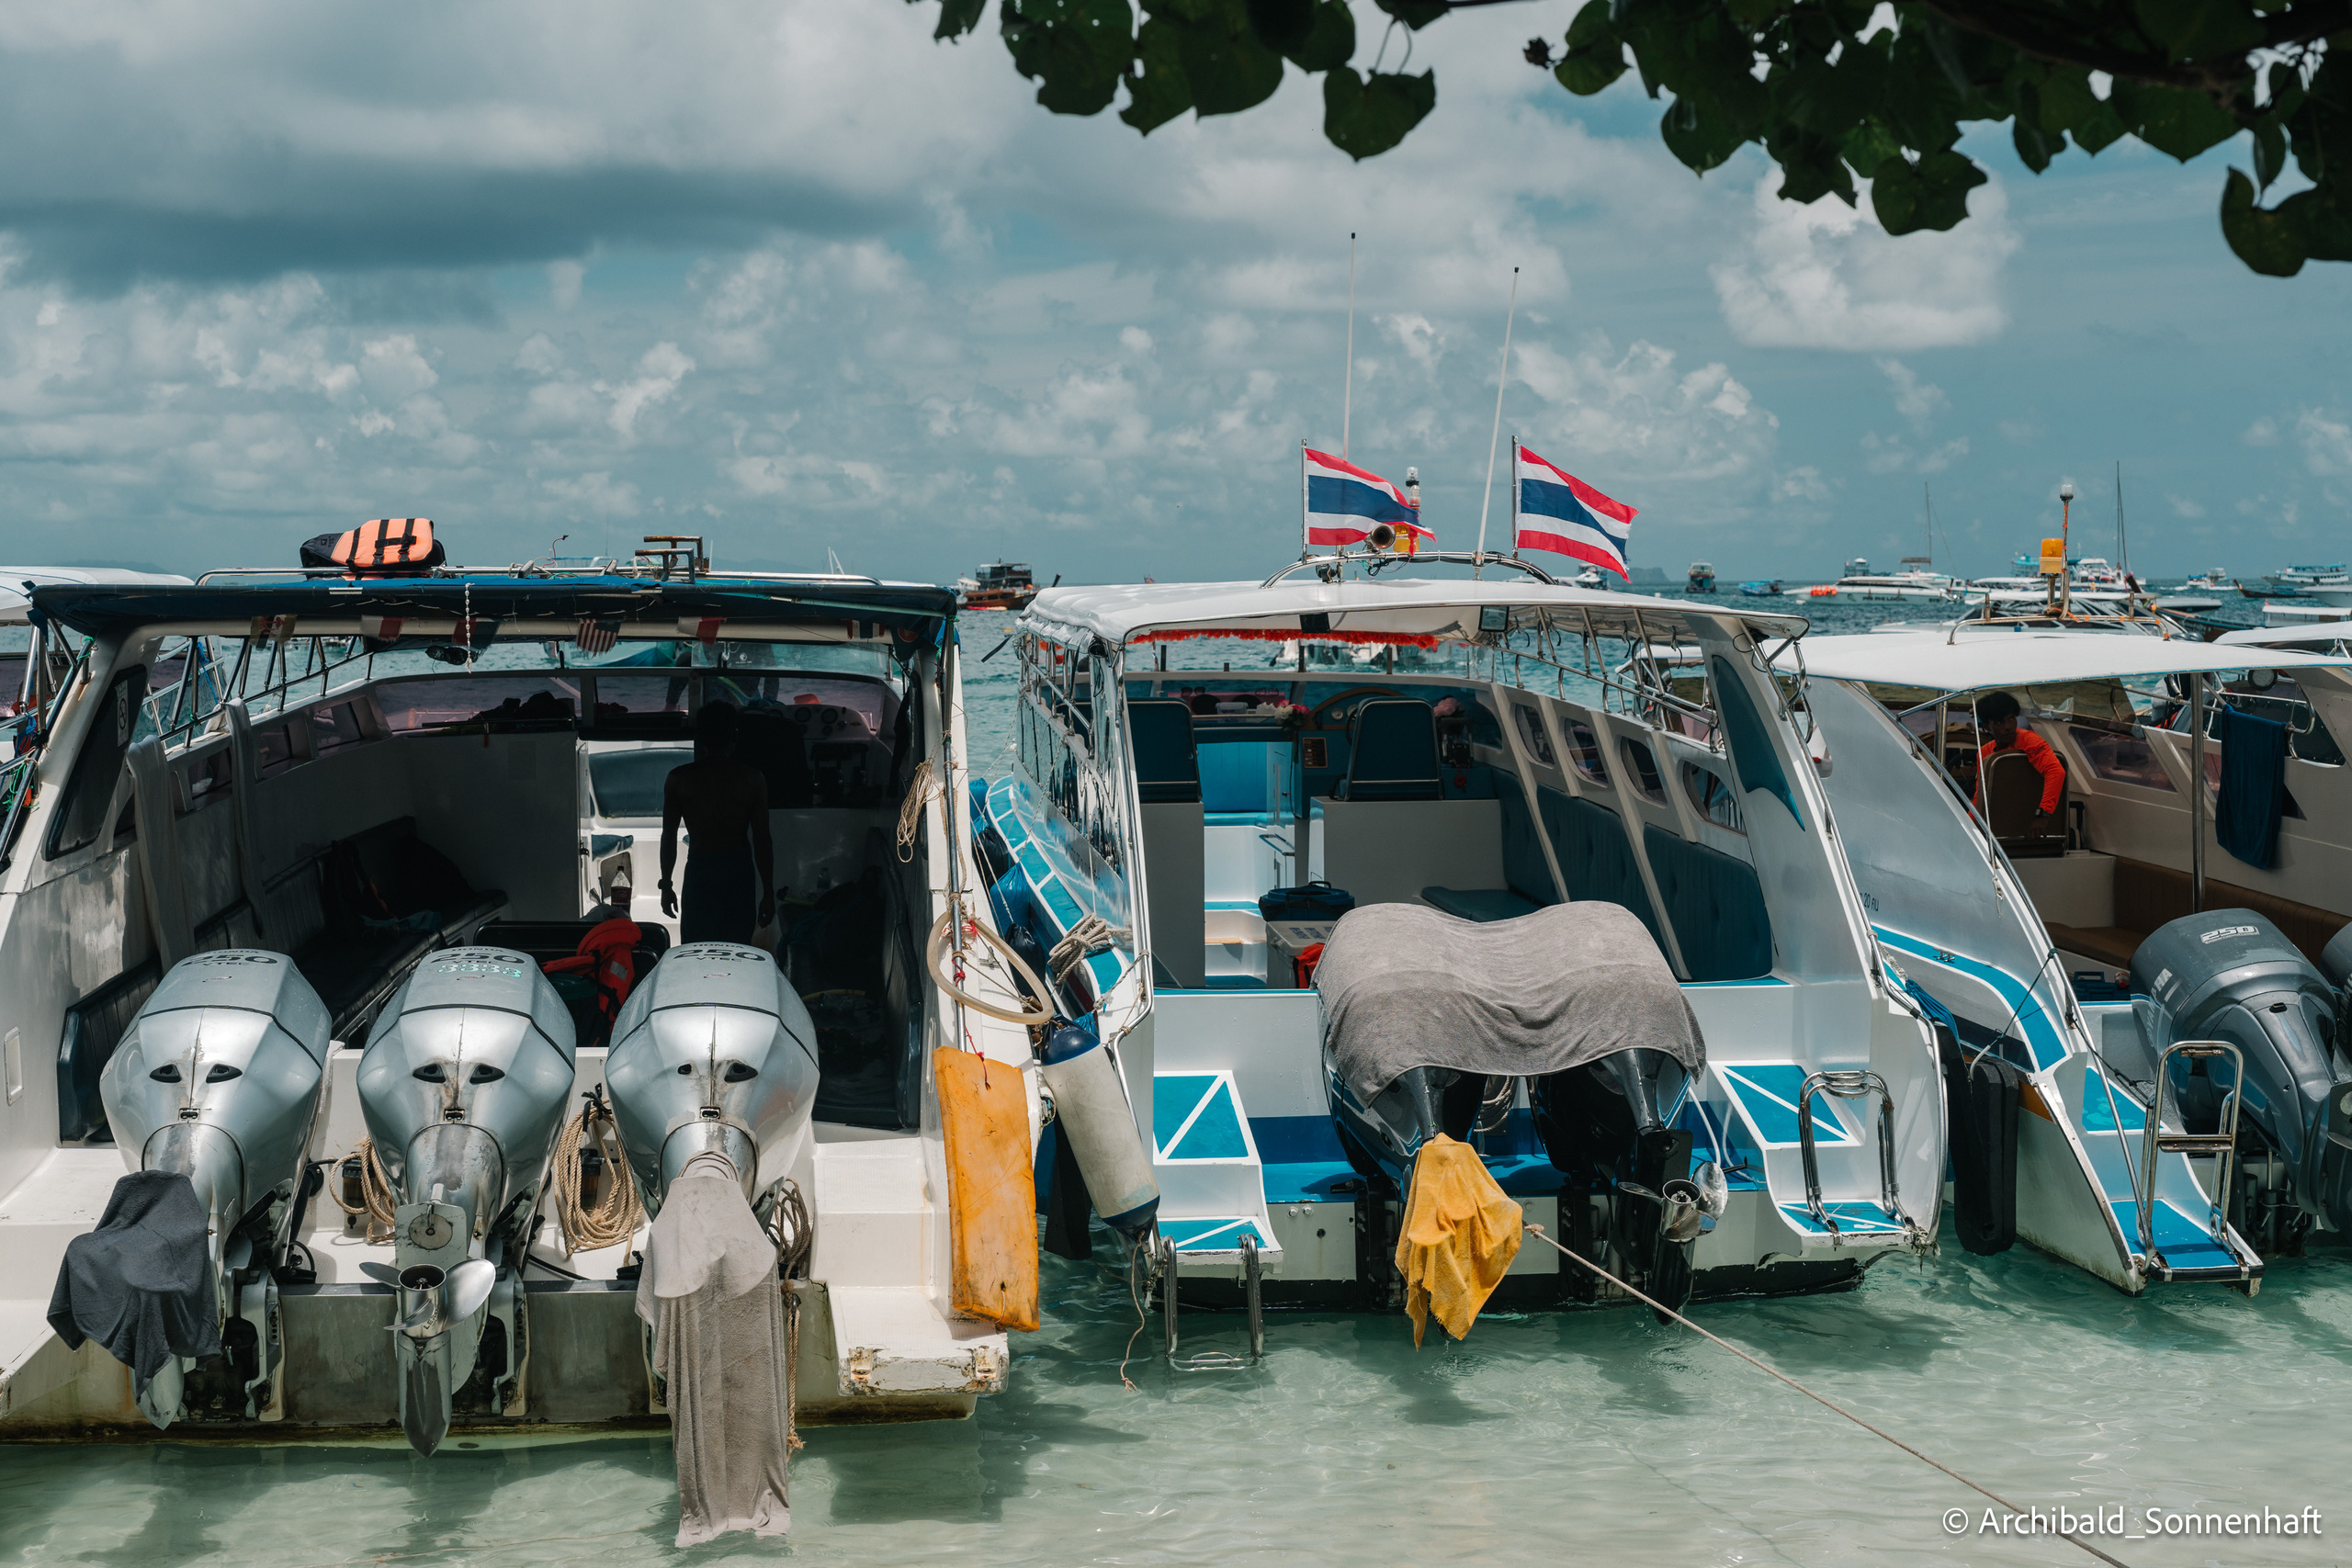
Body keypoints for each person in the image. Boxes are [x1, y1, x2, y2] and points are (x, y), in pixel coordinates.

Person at [660, 702, 775, 944]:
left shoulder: (679, 779)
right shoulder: (752, 779)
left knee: (696, 947)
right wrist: (768, 892)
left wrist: (667, 885)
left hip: (700, 869)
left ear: (700, 738)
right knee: (736, 947)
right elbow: (762, 839)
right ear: (734, 736)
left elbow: (668, 836)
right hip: (738, 871)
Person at [1974, 690, 2064, 826]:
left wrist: (2044, 813)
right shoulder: (1984, 753)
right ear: (1987, 726)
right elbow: (1980, 795)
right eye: (1999, 722)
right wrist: (1968, 826)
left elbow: (2055, 771)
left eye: (2011, 718)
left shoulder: (2029, 740)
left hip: (2034, 817)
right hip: (2002, 820)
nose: (2008, 727)